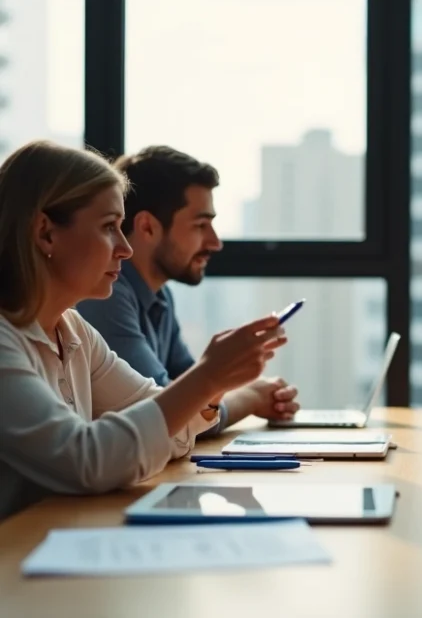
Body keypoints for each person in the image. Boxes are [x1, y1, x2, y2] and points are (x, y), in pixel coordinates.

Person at [0, 140, 289, 520]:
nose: (125, 248)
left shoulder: (74, 330)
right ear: (46, 233)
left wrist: (215, 382)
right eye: (108, 228)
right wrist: (208, 378)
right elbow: (86, 460)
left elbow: (166, 419)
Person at [77, 146, 299, 436]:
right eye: (201, 224)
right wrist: (254, 396)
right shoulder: (106, 296)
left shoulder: (160, 297)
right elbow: (173, 414)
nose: (215, 242)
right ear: (147, 227)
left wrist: (238, 383)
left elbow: (193, 392)